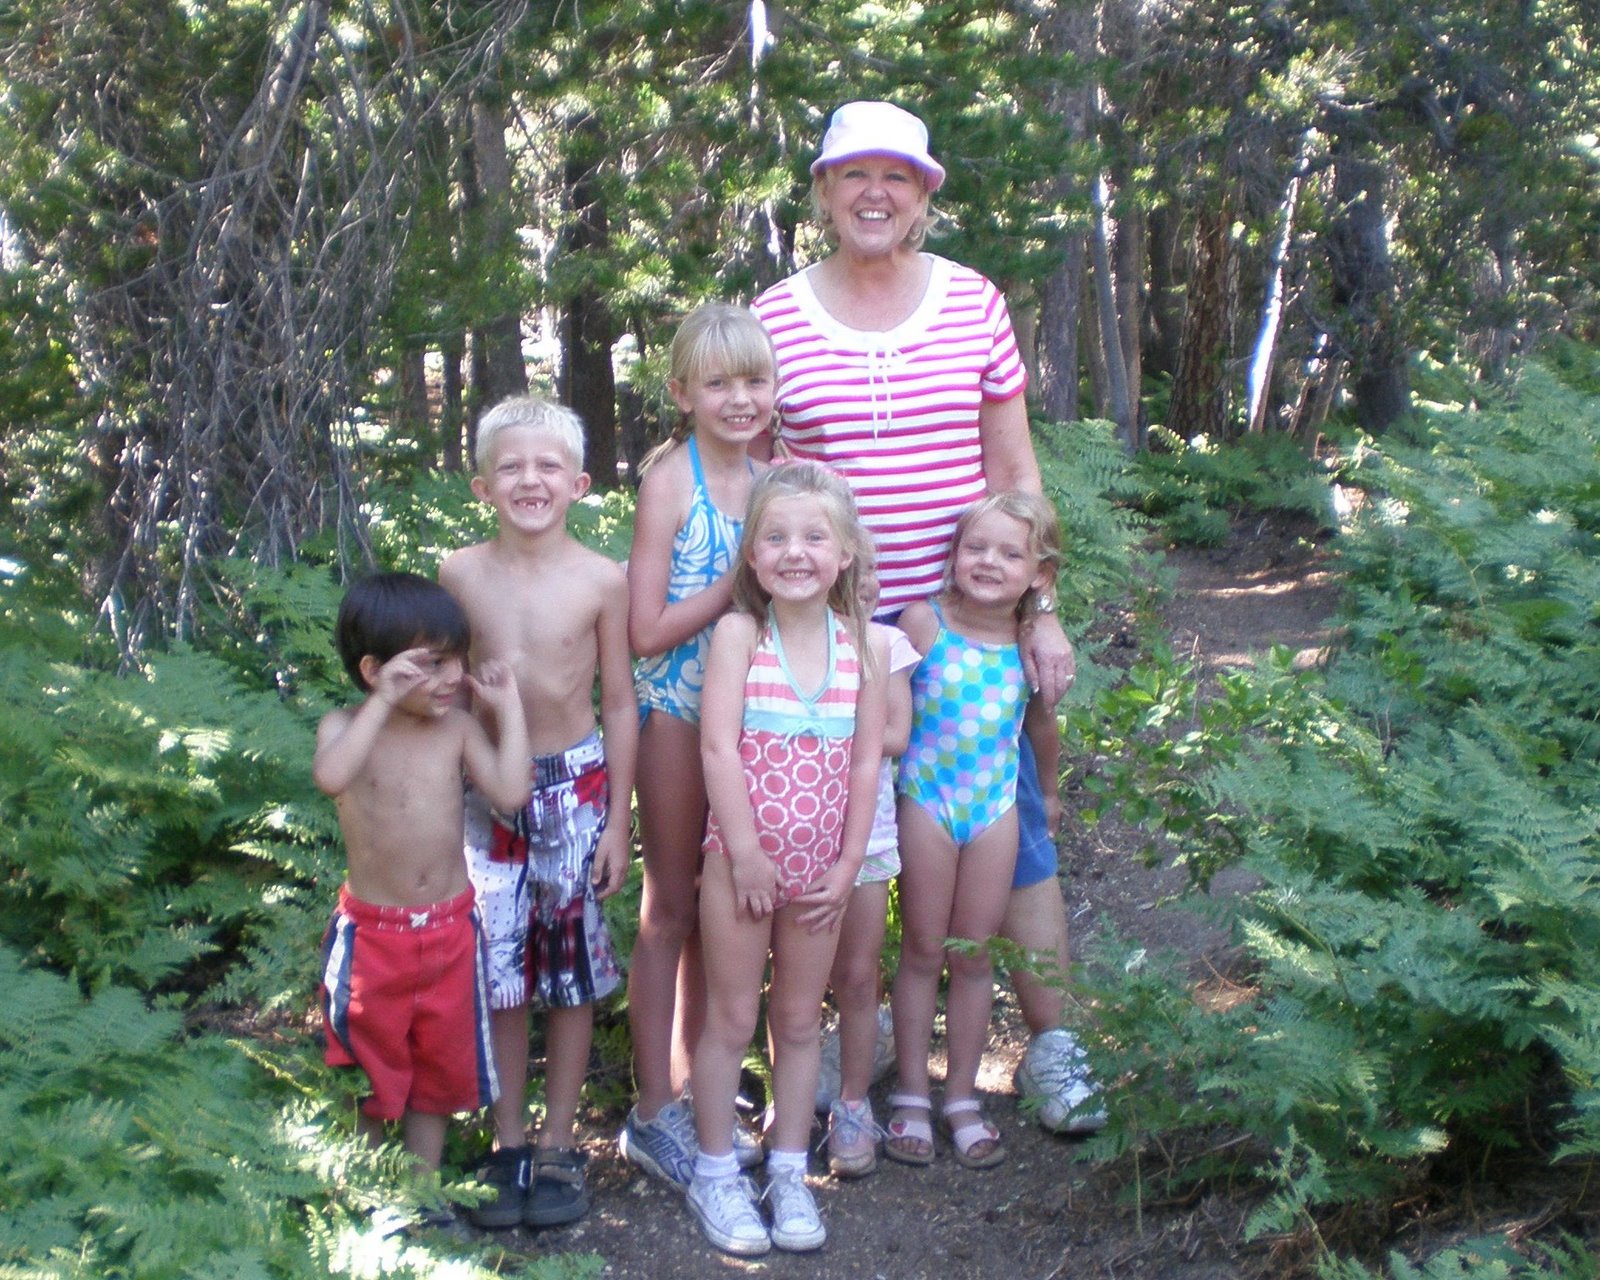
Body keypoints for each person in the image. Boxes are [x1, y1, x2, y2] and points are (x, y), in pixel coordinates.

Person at [751, 98, 1102, 1135]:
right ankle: (810, 1059)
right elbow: (761, 487)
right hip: (834, 637)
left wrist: (1040, 607)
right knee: (818, 837)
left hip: (968, 630)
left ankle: (1052, 1045)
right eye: (852, 174)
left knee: (1015, 829)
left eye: (896, 177)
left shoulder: (972, 301)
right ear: (820, 191)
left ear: (924, 195)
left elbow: (1015, 467)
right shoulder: (775, 316)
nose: (874, 193)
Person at [439, 395, 636, 1230]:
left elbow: (620, 700)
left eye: (547, 465)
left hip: (576, 788)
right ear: (482, 485)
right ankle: (508, 1138)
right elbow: (441, 692)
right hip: (486, 793)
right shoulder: (456, 572)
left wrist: (620, 821)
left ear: (580, 483)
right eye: (511, 466)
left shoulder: (601, 578)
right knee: (501, 968)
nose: (530, 479)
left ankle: (560, 1143)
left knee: (573, 970)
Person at [686, 461, 888, 1257]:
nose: (794, 551)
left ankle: (789, 1170)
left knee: (800, 1022)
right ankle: (713, 1172)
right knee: (732, 1017)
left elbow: (868, 764)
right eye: (775, 536)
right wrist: (743, 853)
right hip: (740, 867)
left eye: (814, 536)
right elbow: (717, 747)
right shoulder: (741, 636)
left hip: (821, 876)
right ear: (752, 556)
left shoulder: (862, 645)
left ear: (845, 553)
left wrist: (845, 870)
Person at [620, 304, 773, 1187]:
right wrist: (734, 580)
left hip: (751, 724)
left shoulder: (774, 480)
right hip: (676, 714)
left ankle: (698, 1086)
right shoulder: (670, 483)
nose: (739, 398)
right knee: (671, 907)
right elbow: (646, 630)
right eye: (718, 383)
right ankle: (651, 1108)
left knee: (724, 913)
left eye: (754, 379)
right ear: (682, 393)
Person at [313, 572, 532, 1191]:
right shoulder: (344, 728)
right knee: (369, 1068)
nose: (452, 678)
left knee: (436, 1073)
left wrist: (507, 710)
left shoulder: (456, 731)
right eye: (430, 664)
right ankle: (364, 1190)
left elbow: (511, 791)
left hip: (450, 931)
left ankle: (421, 1193)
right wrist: (381, 702)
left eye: (456, 660)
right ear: (372, 669)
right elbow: (332, 777)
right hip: (372, 941)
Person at [885, 493, 1062, 1168]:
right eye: (976, 548)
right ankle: (909, 1093)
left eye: (1010, 553)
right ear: (953, 555)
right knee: (925, 948)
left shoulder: (1028, 645)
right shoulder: (923, 624)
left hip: (994, 808)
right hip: (927, 800)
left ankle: (960, 1095)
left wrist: (1046, 792)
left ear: (1038, 575)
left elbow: (1042, 725)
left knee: (974, 954)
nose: (988, 562)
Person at [819, 559, 917, 1178]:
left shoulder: (886, 644)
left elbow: (898, 733)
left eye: (873, 570)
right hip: (793, 832)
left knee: (857, 975)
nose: (869, 586)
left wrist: (818, 725)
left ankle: (853, 1104)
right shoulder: (769, 642)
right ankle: (792, 1100)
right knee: (793, 989)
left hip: (869, 831)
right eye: (854, 575)